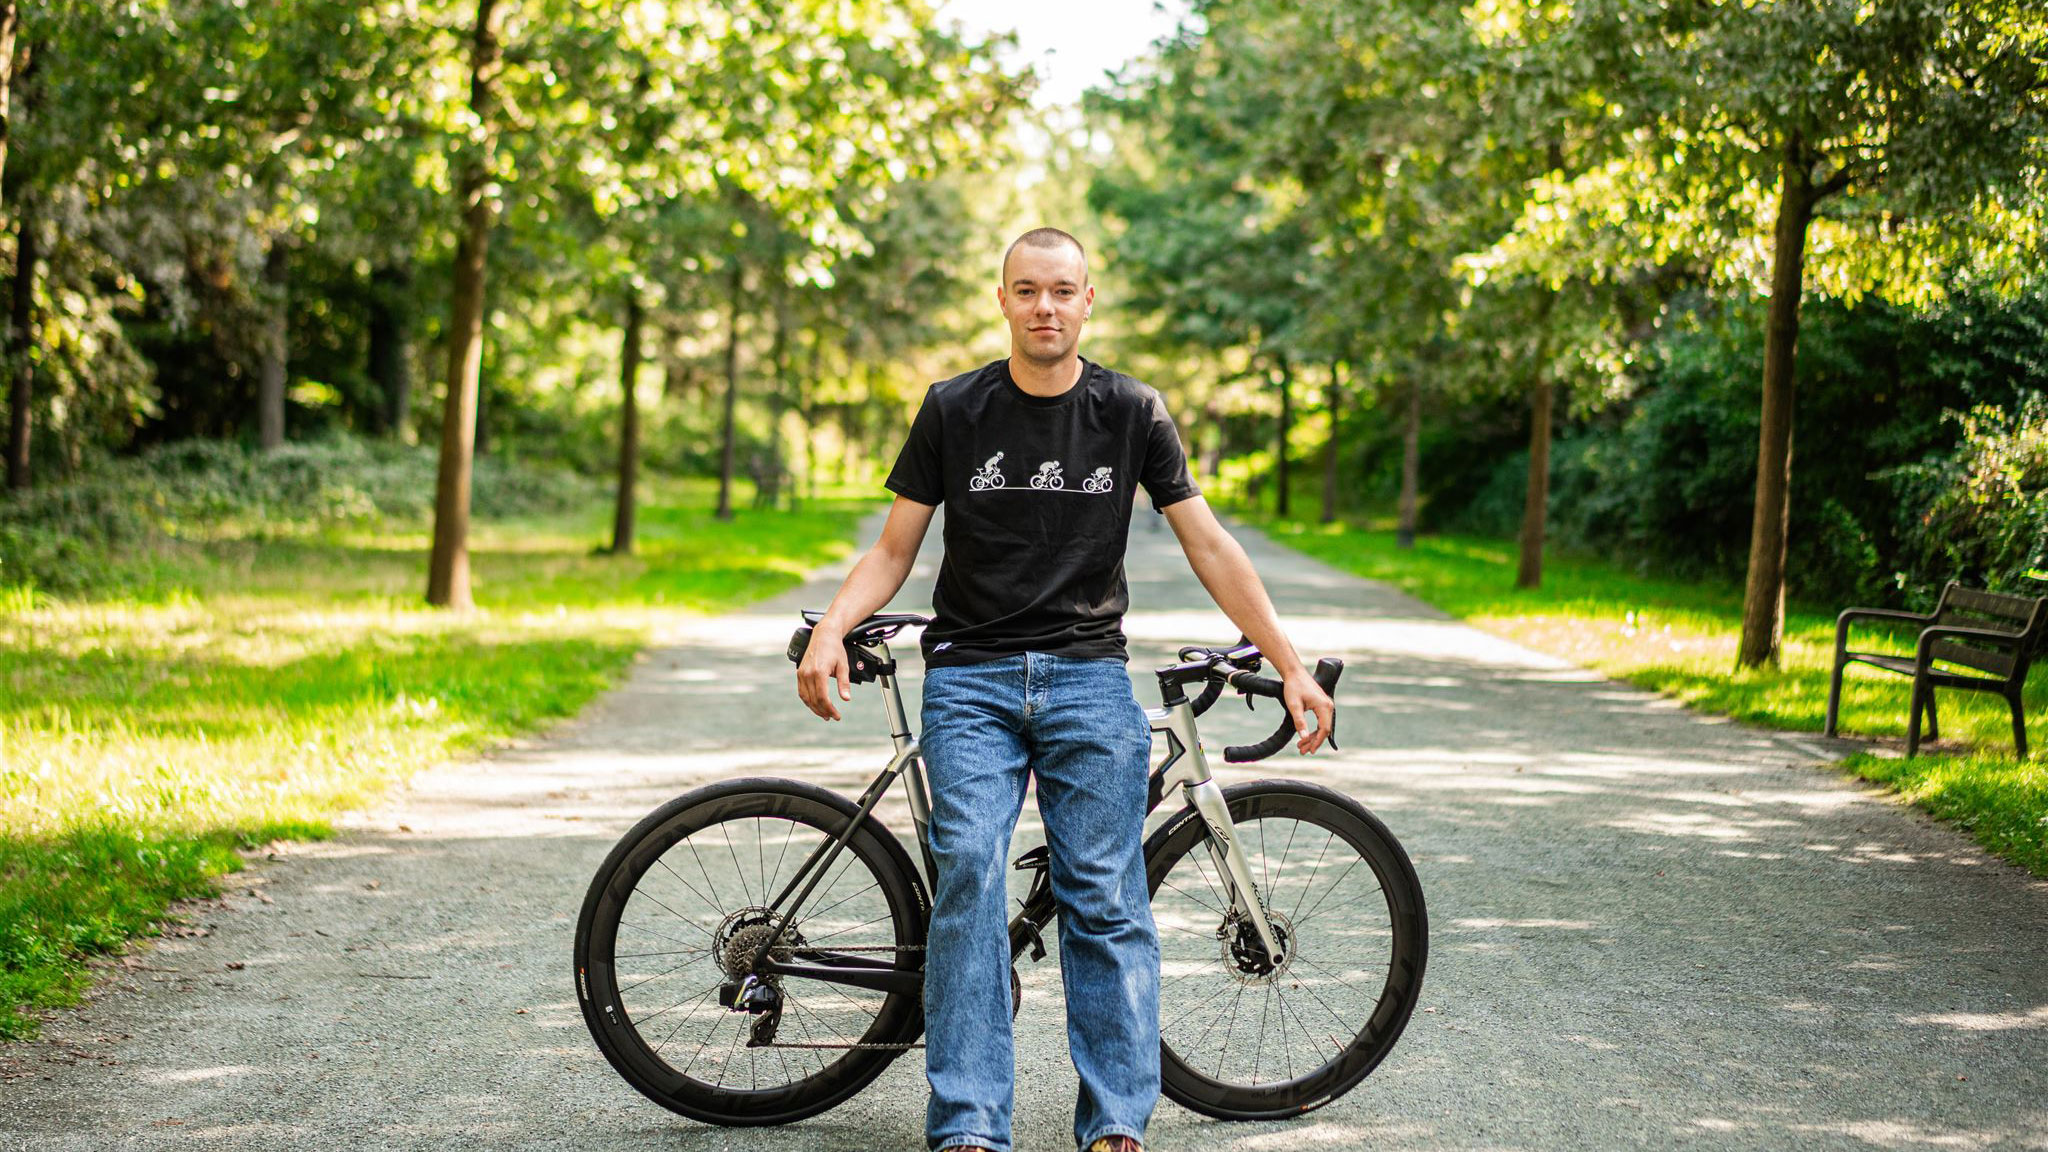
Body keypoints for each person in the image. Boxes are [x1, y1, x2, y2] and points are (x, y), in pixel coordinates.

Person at [795, 227, 1334, 1152]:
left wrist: (1286, 660)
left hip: (1088, 677)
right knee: (968, 873)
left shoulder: (1130, 410)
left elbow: (1207, 542)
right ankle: (968, 1125)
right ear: (1002, 301)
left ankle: (1116, 1122)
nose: (1045, 306)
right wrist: (833, 627)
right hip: (970, 677)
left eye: (1062, 290)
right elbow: (895, 549)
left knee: (1105, 892)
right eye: (1026, 290)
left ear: (1089, 302)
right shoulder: (953, 409)